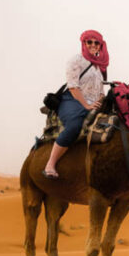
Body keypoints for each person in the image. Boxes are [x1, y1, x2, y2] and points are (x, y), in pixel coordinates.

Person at [42, 30, 109, 179]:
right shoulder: (76, 60)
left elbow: (101, 90)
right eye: (89, 42)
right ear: (83, 43)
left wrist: (100, 100)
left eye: (96, 42)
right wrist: (86, 105)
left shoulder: (100, 67)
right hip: (73, 99)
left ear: (100, 46)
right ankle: (50, 164)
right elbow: (73, 86)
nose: (92, 45)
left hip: (92, 102)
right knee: (75, 125)